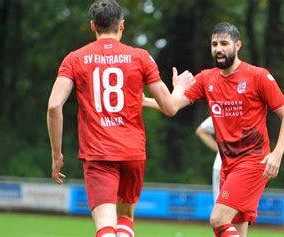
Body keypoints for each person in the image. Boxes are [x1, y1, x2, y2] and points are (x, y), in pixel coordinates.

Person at [46, 1, 194, 237]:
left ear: (93, 25)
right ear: (122, 25)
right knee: (125, 217)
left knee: (105, 224)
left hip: (99, 154)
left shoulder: (75, 59)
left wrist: (57, 154)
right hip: (133, 152)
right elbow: (169, 108)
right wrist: (179, 88)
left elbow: (54, 106)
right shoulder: (140, 57)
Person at [172, 22, 284, 237]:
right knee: (234, 230)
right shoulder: (207, 78)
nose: (218, 48)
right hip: (228, 165)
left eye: (224, 43)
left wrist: (277, 153)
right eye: (214, 44)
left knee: (218, 219)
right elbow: (172, 106)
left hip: (253, 161)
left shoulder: (258, 76)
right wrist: (142, 99)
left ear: (238, 45)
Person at [196, 116, 222, 201]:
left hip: (221, 165)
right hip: (244, 165)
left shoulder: (222, 108)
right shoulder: (250, 110)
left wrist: (221, 151)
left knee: (220, 207)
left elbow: (201, 131)